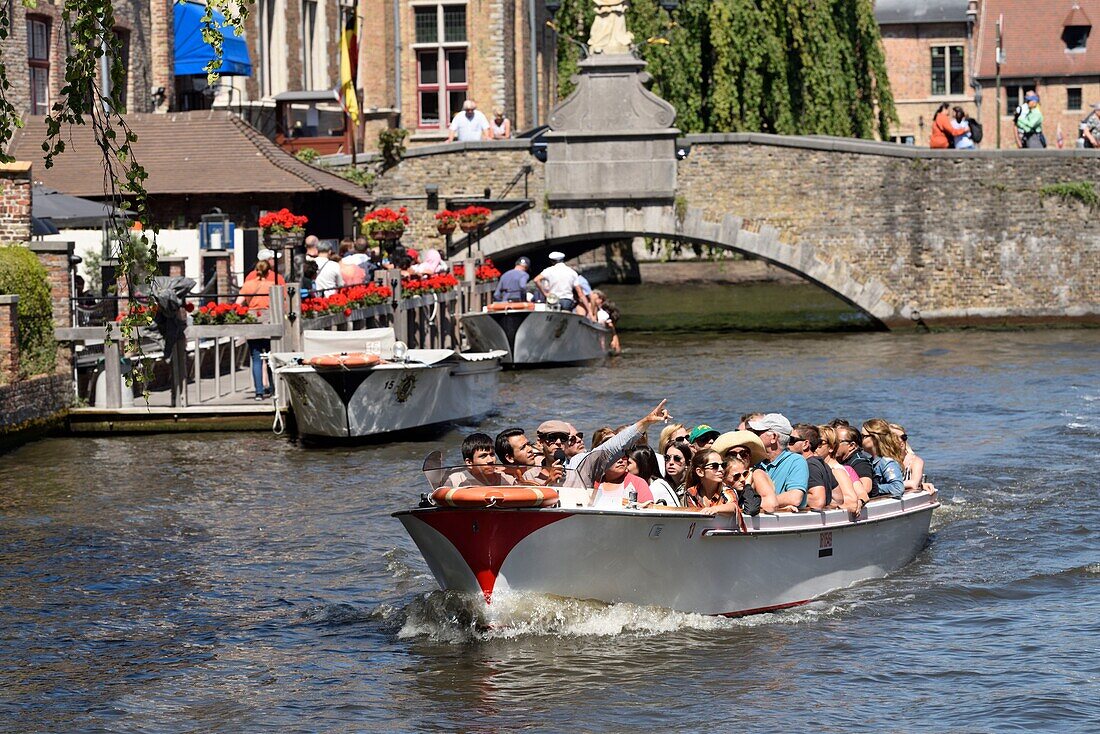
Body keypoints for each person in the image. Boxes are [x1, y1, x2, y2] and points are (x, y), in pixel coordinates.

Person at [562, 399, 671, 491]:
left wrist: (645, 422)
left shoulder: (581, 462)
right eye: (551, 438)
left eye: (579, 435)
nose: (557, 442)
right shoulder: (551, 472)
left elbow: (614, 446)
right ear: (543, 444)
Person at [791, 424, 857, 512]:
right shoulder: (823, 464)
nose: (787, 443)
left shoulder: (811, 465)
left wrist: (794, 496)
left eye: (791, 440)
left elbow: (818, 502)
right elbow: (838, 498)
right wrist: (828, 503)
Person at [748, 413, 808, 510]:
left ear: (773, 437)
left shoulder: (796, 461)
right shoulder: (758, 462)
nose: (755, 436)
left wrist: (758, 503)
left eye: (758, 433)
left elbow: (795, 497)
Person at [235, 260, 277, 400]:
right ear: (269, 271)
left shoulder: (248, 285)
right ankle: (272, 388)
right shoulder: (272, 285)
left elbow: (238, 304)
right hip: (268, 321)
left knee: (256, 357)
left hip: (252, 321)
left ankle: (259, 392)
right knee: (271, 357)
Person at [710, 430, 777, 513]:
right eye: (733, 455)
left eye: (743, 453)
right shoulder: (721, 475)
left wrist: (741, 506)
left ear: (750, 456)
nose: (739, 457)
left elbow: (770, 505)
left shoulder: (757, 474)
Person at [682, 450, 740, 516]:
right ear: (700, 472)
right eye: (715, 466)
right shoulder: (691, 493)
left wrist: (714, 509)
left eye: (723, 465)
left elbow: (733, 507)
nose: (721, 469)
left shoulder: (726, 490)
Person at [445, 433, 515, 487]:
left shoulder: (507, 480)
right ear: (469, 462)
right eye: (483, 456)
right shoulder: (456, 480)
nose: (490, 460)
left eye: (492, 454)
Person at [860, 419, 906, 499]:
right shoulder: (870, 461)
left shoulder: (887, 463)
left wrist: (875, 488)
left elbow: (898, 488)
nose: (860, 440)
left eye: (863, 436)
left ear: (875, 438)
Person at [835, 424, 873, 506]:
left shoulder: (860, 462)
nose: (833, 445)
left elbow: (866, 487)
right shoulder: (841, 461)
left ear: (851, 446)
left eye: (837, 442)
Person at [890, 423, 926, 492]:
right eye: (895, 437)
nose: (900, 440)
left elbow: (914, 484)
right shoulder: (884, 460)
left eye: (903, 437)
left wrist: (886, 486)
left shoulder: (916, 461)